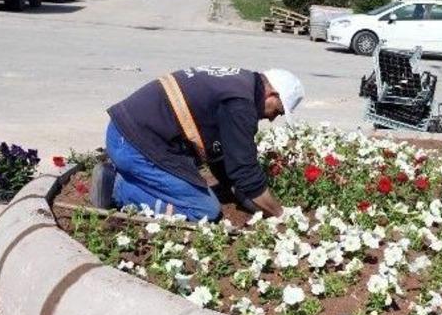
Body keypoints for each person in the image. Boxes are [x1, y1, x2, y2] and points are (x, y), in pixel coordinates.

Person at [97, 66, 304, 221]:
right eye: (278, 111)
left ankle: (128, 176)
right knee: (203, 210)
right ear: (272, 94)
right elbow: (245, 171)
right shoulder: (241, 105)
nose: (272, 118)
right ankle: (116, 188)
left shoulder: (239, 83)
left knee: (197, 190)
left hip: (124, 133)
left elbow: (222, 154)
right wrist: (279, 213)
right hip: (134, 147)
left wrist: (236, 190)